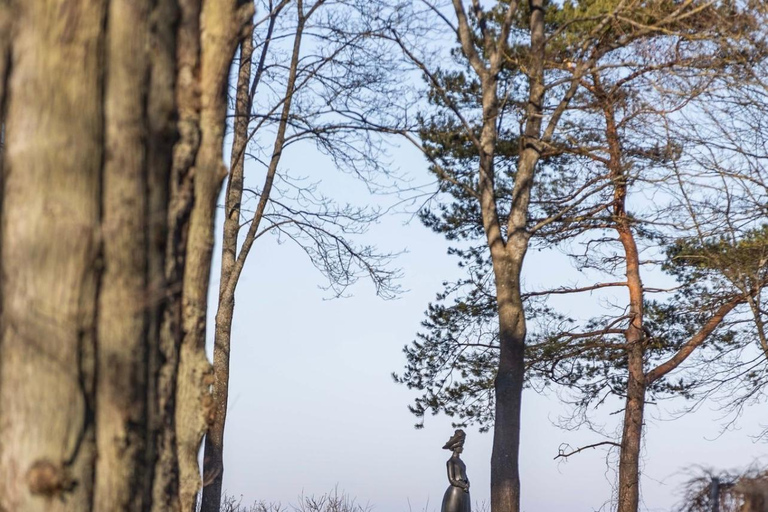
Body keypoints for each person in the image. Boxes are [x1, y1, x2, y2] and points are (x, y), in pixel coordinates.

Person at [441, 429, 471, 512]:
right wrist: (462, 485)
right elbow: (452, 479)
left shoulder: (461, 462)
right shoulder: (451, 461)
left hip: (464, 491)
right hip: (455, 490)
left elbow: (464, 474)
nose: (462, 448)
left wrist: (467, 483)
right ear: (455, 448)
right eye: (460, 447)